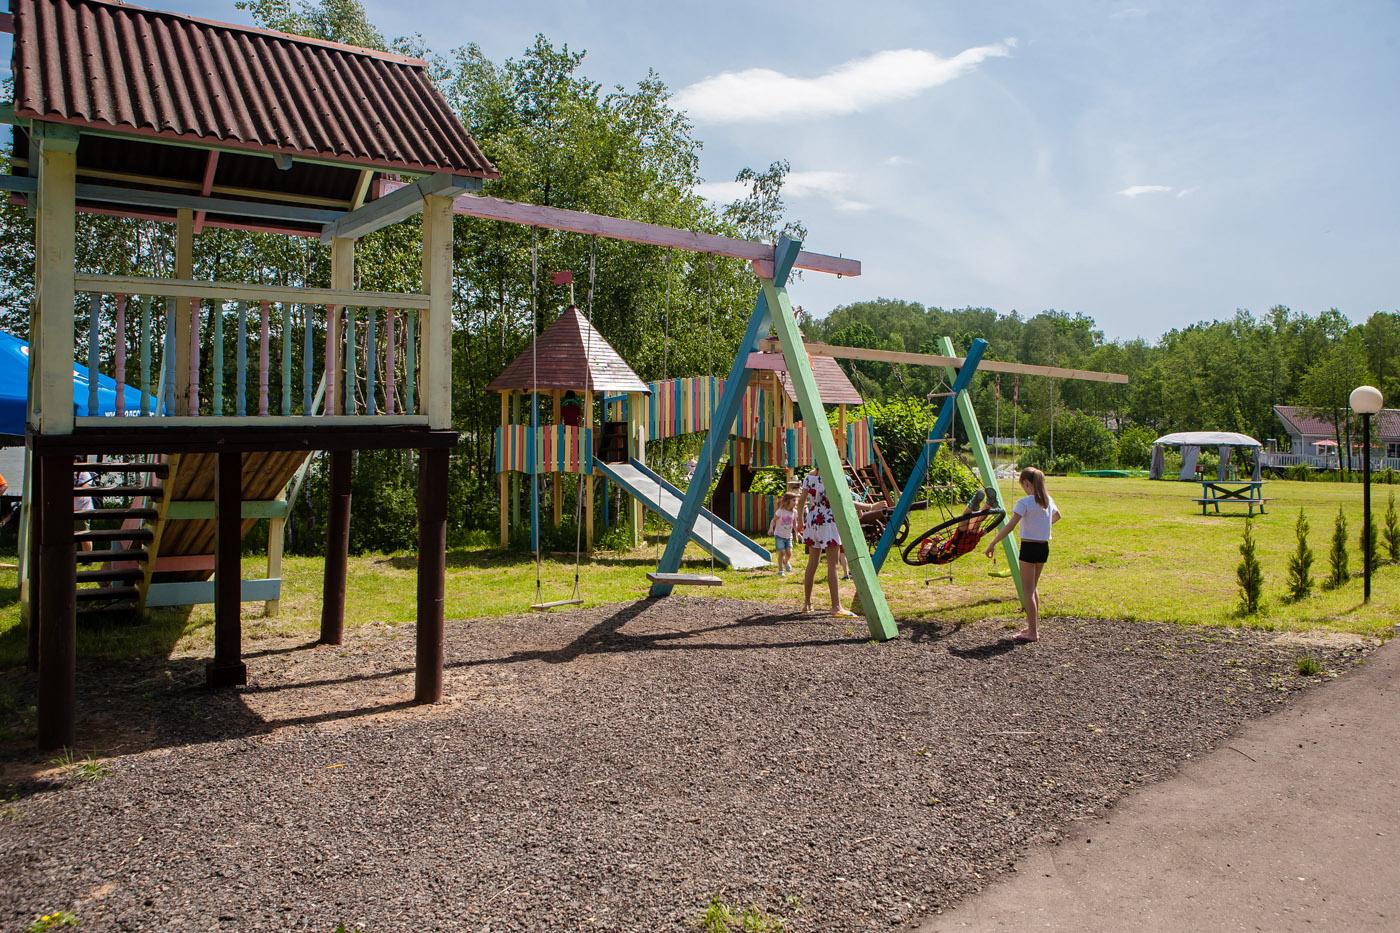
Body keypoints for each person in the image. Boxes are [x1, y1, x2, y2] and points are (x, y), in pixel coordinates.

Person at [984, 467, 1060, 642]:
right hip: (1043, 547)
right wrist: (1041, 526)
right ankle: (1033, 626)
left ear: (1026, 483)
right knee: (1033, 588)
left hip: (1029, 548)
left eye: (1023, 485)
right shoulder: (1048, 500)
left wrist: (993, 543)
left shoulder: (1024, 502)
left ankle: (1032, 633)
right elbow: (1057, 516)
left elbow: (1010, 526)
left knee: (1028, 591)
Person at [794, 465, 855, 617]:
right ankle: (836, 606)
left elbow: (801, 501)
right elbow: (840, 501)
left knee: (812, 563)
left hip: (812, 520)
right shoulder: (832, 478)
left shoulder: (809, 477)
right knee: (832, 565)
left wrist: (800, 521)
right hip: (828, 521)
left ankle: (807, 603)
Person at [768, 492, 797, 576]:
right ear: (787, 501)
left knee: (789, 553)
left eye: (796, 500)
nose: (795, 502)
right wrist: (771, 528)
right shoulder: (780, 511)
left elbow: (794, 524)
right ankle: (780, 571)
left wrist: (797, 533)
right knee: (782, 552)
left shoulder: (794, 512)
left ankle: (785, 562)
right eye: (793, 500)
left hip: (788, 536)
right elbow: (773, 520)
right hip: (779, 536)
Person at [73, 457, 97, 552]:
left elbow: (85, 488)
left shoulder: (83, 473)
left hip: (82, 509)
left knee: (84, 535)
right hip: (74, 508)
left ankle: (88, 556)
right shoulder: (72, 472)